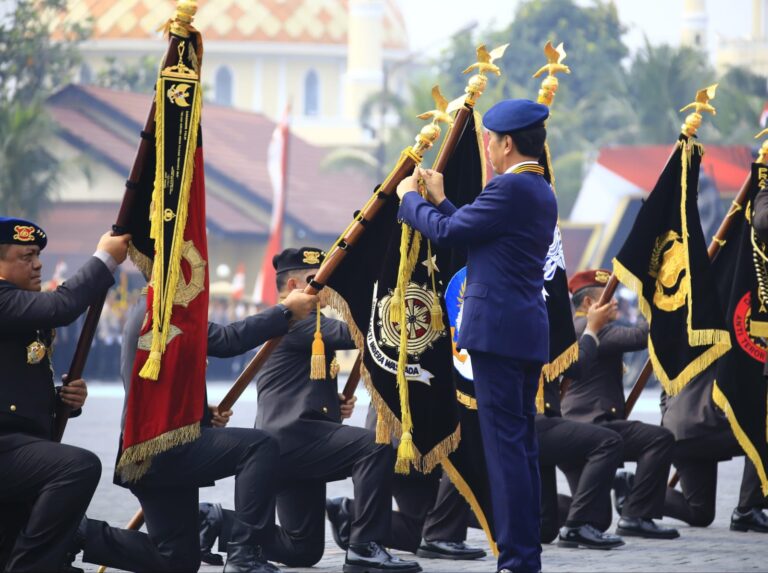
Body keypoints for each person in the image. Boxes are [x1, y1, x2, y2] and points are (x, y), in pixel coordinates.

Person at [396, 98, 558, 573]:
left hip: (499, 337)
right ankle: (524, 555)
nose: (486, 147)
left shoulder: (509, 187)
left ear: (507, 144)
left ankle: (517, 560)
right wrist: (441, 199)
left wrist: (409, 199)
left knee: (506, 453)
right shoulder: (538, 188)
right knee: (520, 450)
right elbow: (478, 234)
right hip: (522, 333)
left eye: (491, 140)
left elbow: (449, 234)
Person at [75, 268, 318, 573]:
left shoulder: (149, 305)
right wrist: (285, 311)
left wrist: (200, 414)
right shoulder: (162, 308)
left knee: (177, 561)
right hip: (163, 449)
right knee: (258, 447)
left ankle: (77, 533)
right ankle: (244, 554)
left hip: (154, 448)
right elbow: (228, 340)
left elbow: (162, 385)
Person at [205, 247, 421, 573]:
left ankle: (214, 519)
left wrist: (333, 405)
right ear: (293, 286)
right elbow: (356, 333)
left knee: (302, 549)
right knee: (374, 447)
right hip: (294, 438)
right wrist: (394, 302)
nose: (326, 288)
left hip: (296, 442)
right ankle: (365, 547)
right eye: (315, 280)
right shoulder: (294, 321)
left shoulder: (300, 323)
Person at [0, 217, 130, 572]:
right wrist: (105, 258)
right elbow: (62, 306)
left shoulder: (16, 304)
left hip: (17, 444)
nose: (38, 264)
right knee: (76, 466)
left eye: (38, 255)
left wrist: (62, 401)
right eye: (26, 256)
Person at [561, 269, 679, 540]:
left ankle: (536, 510)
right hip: (593, 426)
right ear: (589, 303)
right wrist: (667, 300)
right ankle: (636, 516)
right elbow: (641, 336)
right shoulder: (590, 329)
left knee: (596, 519)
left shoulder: (575, 327)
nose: (615, 302)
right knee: (658, 439)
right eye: (609, 296)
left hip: (575, 428)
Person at [538, 300, 626, 549]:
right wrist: (592, 329)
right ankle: (577, 526)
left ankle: (460, 512)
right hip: (532, 421)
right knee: (608, 441)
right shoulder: (530, 319)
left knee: (544, 527)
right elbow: (576, 365)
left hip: (535, 420)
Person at [662, 367, 768, 531]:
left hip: (677, 427)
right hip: (706, 421)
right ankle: (748, 509)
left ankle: (633, 488)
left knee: (700, 512)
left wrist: (671, 415)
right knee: (763, 431)